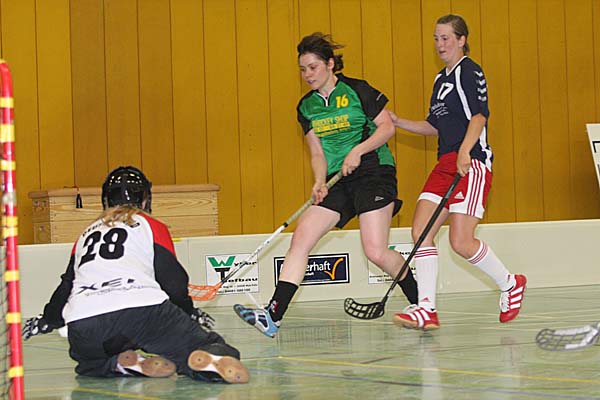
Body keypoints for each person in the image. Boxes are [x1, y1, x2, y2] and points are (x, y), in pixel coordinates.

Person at [233, 32, 418, 338]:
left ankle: (420, 302)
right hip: (337, 179)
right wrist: (319, 181)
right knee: (301, 237)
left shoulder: (358, 90)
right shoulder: (306, 107)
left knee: (375, 251)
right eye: (303, 69)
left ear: (330, 64)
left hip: (373, 172)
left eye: (313, 67)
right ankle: (272, 316)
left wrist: (358, 151)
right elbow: (317, 153)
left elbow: (386, 128)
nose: (307, 75)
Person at [22, 166, 249, 384]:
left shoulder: (86, 234)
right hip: (141, 312)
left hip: (84, 324)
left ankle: (121, 364)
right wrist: (188, 312)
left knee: (89, 362)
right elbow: (173, 281)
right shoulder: (150, 225)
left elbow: (67, 286)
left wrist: (48, 320)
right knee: (204, 345)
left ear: (105, 200)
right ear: (145, 200)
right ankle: (208, 358)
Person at [390, 15, 526, 330]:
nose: (440, 44)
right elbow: (434, 126)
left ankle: (510, 284)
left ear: (462, 40)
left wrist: (465, 151)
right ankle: (426, 309)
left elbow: (479, 116)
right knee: (421, 232)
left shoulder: (470, 70)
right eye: (436, 38)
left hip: (471, 160)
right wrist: (398, 122)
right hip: (445, 162)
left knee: (461, 242)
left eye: (446, 38)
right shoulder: (440, 80)